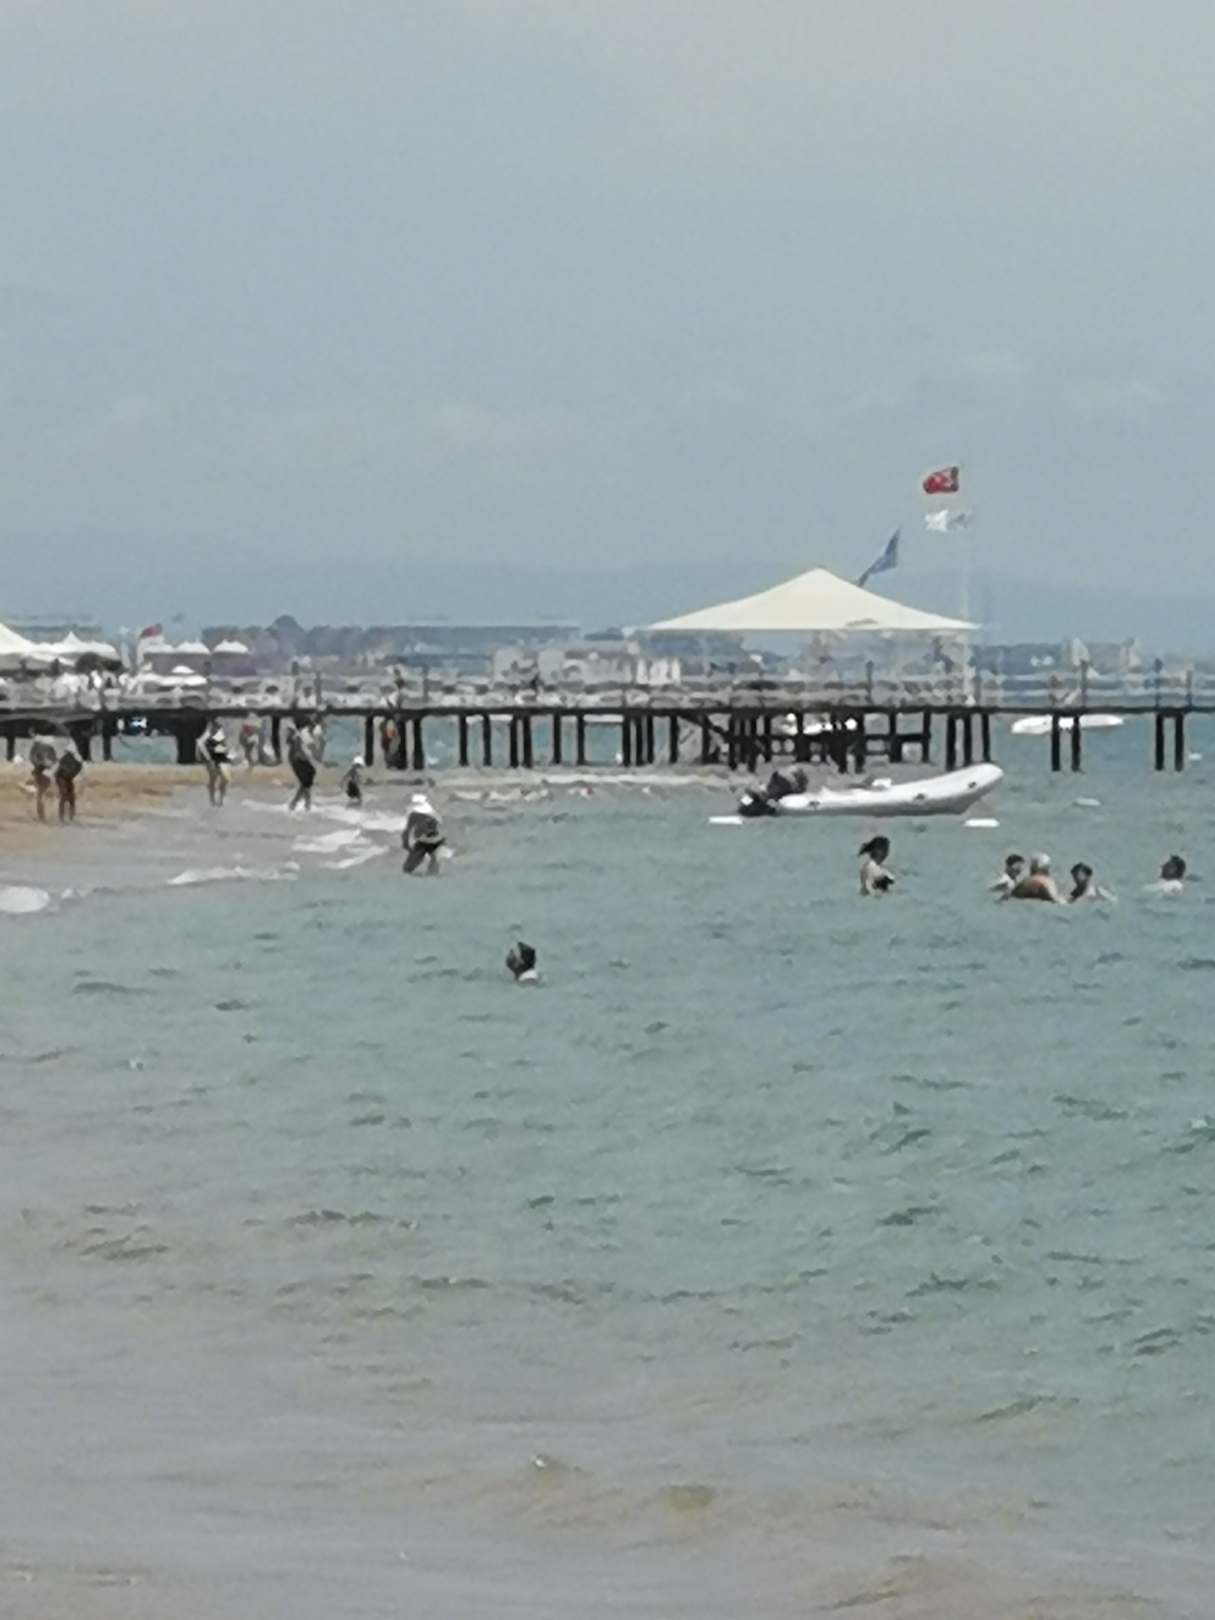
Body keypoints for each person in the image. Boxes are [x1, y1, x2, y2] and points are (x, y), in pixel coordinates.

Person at [402, 792, 444, 874]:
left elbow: (407, 831)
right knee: (434, 867)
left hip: (425, 841)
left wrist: (405, 843)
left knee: (408, 869)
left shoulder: (414, 815)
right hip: (432, 841)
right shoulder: (433, 814)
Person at [199, 719, 232, 807]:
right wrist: (208, 758)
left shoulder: (220, 732)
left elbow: (224, 746)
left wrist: (228, 756)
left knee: (224, 779)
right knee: (213, 779)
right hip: (213, 759)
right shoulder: (208, 733)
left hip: (221, 758)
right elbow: (201, 744)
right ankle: (212, 800)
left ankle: (220, 799)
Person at [28, 735, 58, 823]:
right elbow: (54, 760)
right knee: (42, 794)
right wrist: (47, 763)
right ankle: (43, 815)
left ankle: (43, 815)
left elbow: (33, 760)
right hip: (44, 772)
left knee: (42, 794)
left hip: (43, 772)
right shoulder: (48, 749)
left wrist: (47, 763)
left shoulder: (37, 749)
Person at [286, 724, 315, 812]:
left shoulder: (297, 737)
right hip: (297, 760)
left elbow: (298, 748)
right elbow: (297, 749)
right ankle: (302, 803)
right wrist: (305, 757)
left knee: (306, 781)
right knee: (306, 781)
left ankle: (299, 803)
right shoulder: (297, 737)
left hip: (297, 760)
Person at [54, 743, 83, 823]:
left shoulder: (65, 759)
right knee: (66, 797)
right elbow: (71, 771)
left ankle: (66, 817)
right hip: (62, 779)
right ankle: (65, 817)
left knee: (68, 798)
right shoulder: (69, 760)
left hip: (65, 779)